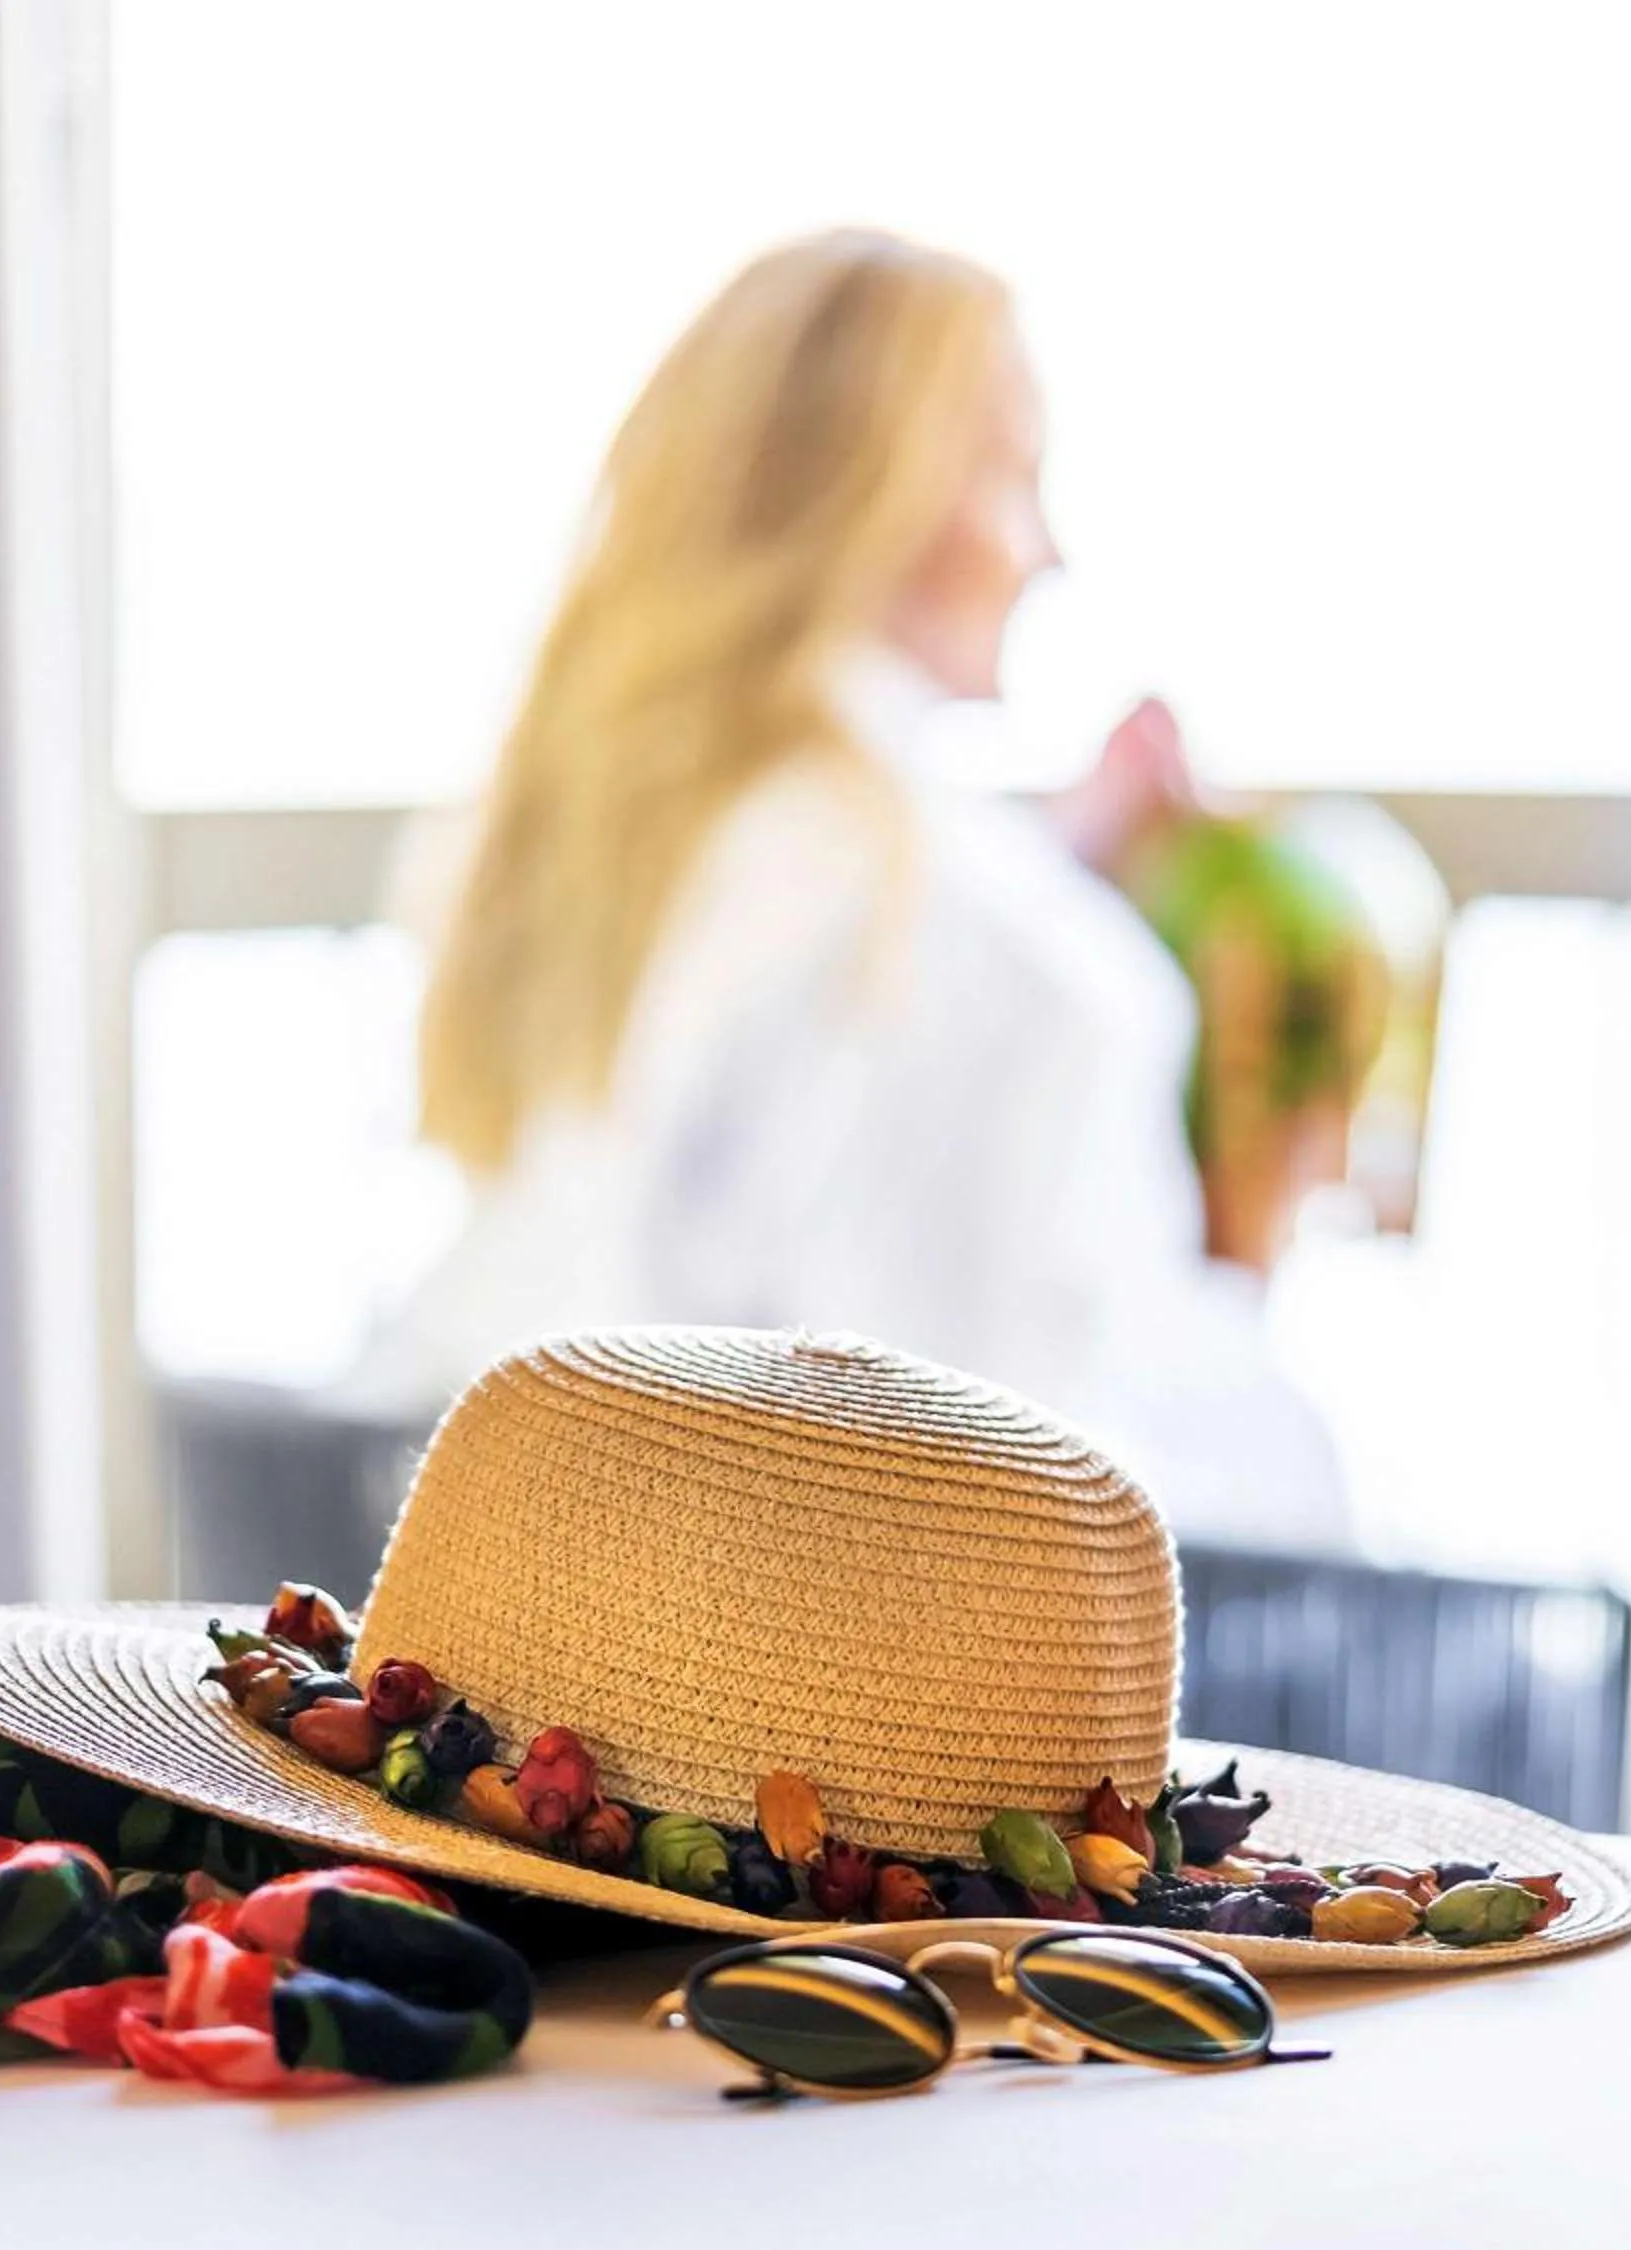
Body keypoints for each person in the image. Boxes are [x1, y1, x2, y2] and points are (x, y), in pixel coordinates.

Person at [358, 230, 1346, 1551]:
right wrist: (1255, 1236)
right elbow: (1035, 1506)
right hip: (887, 1683)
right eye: (1011, 472)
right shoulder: (967, 943)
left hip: (555, 1618)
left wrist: (1051, 862)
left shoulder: (616, 855)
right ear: (861, 494)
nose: (1049, 551)